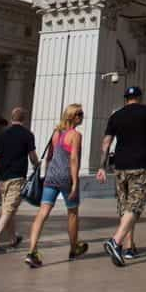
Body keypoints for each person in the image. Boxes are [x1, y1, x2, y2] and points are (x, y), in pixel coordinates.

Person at [96, 86, 146, 267]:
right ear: (140, 97)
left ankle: (129, 248)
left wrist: (102, 167)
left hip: (120, 166)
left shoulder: (116, 115)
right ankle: (116, 242)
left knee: (125, 207)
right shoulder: (145, 111)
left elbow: (106, 142)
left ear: (126, 99)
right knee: (135, 206)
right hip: (139, 165)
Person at [23, 104, 88, 268]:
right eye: (79, 114)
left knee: (43, 212)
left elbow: (49, 157)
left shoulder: (56, 133)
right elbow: (74, 159)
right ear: (73, 116)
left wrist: (47, 175)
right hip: (66, 177)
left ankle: (32, 251)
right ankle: (74, 249)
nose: (82, 116)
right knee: (72, 212)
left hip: (51, 177)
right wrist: (75, 182)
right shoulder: (75, 135)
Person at [0, 107, 39, 254]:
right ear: (24, 119)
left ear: (11, 118)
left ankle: (13, 239)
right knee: (9, 210)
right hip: (17, 177)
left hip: (2, 177)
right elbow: (32, 155)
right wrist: (37, 165)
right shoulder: (27, 135)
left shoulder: (3, 134)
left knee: (7, 209)